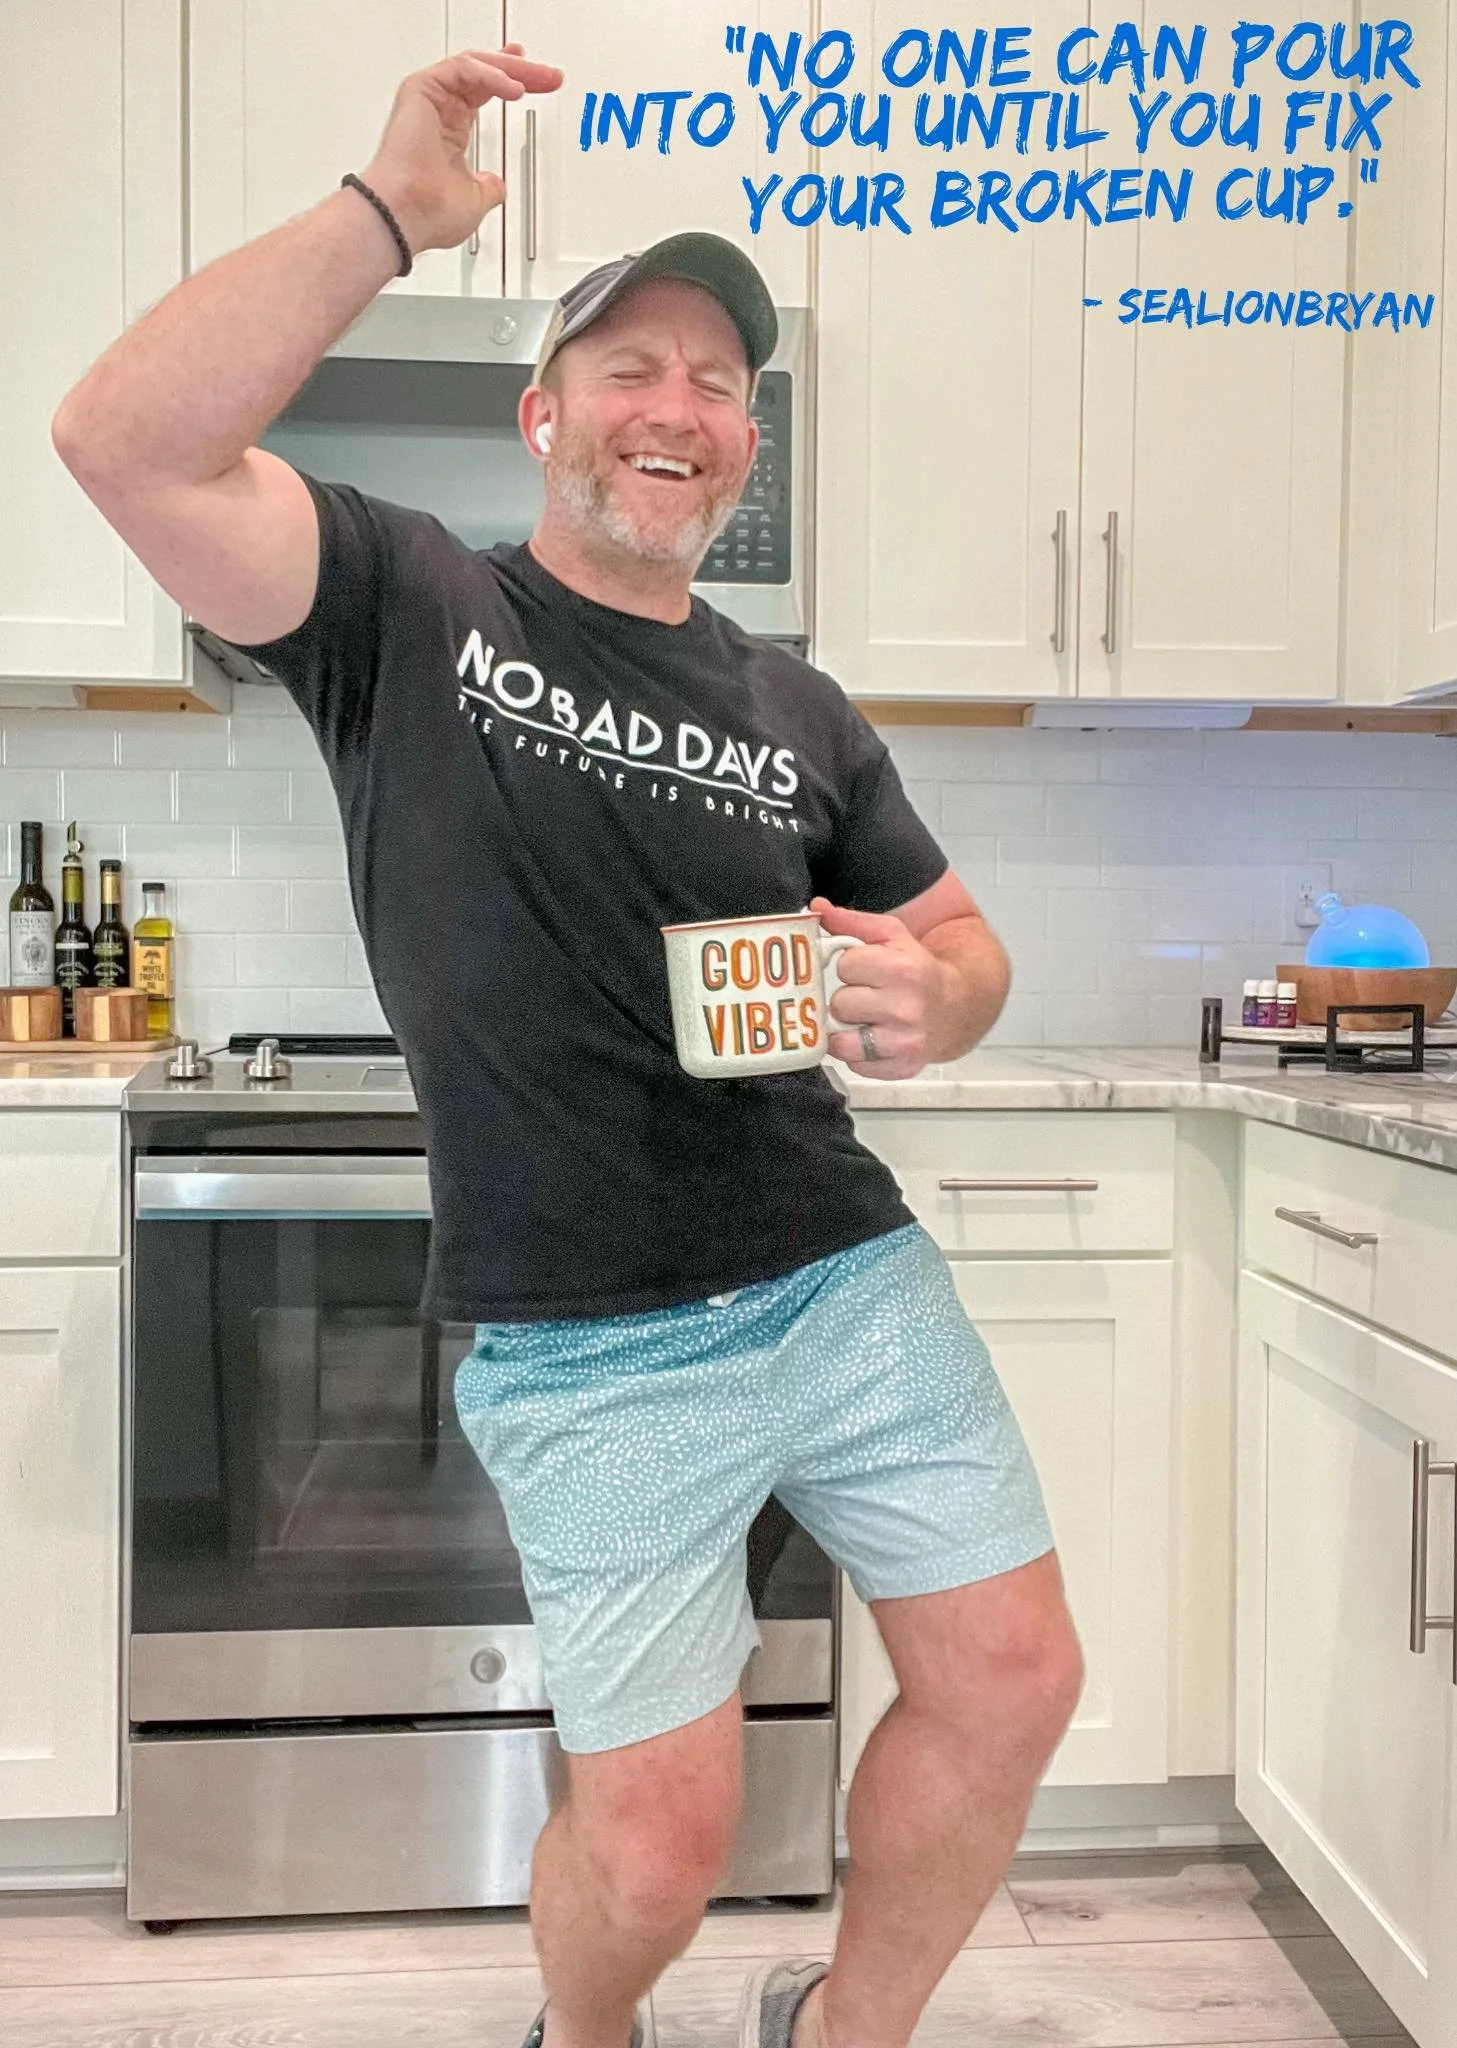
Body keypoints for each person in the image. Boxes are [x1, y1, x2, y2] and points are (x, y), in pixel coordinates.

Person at [51, 45, 1083, 2048]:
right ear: (546, 414)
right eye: (632, 361)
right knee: (657, 1844)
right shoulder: (415, 610)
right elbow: (122, 443)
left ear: (744, 446)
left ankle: (840, 2034)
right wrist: (380, 217)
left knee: (1012, 1676)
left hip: (845, 1272)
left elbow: (960, 946)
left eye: (718, 379)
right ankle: (582, 2034)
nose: (679, 404)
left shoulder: (801, 706)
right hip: (591, 1331)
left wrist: (937, 1000)